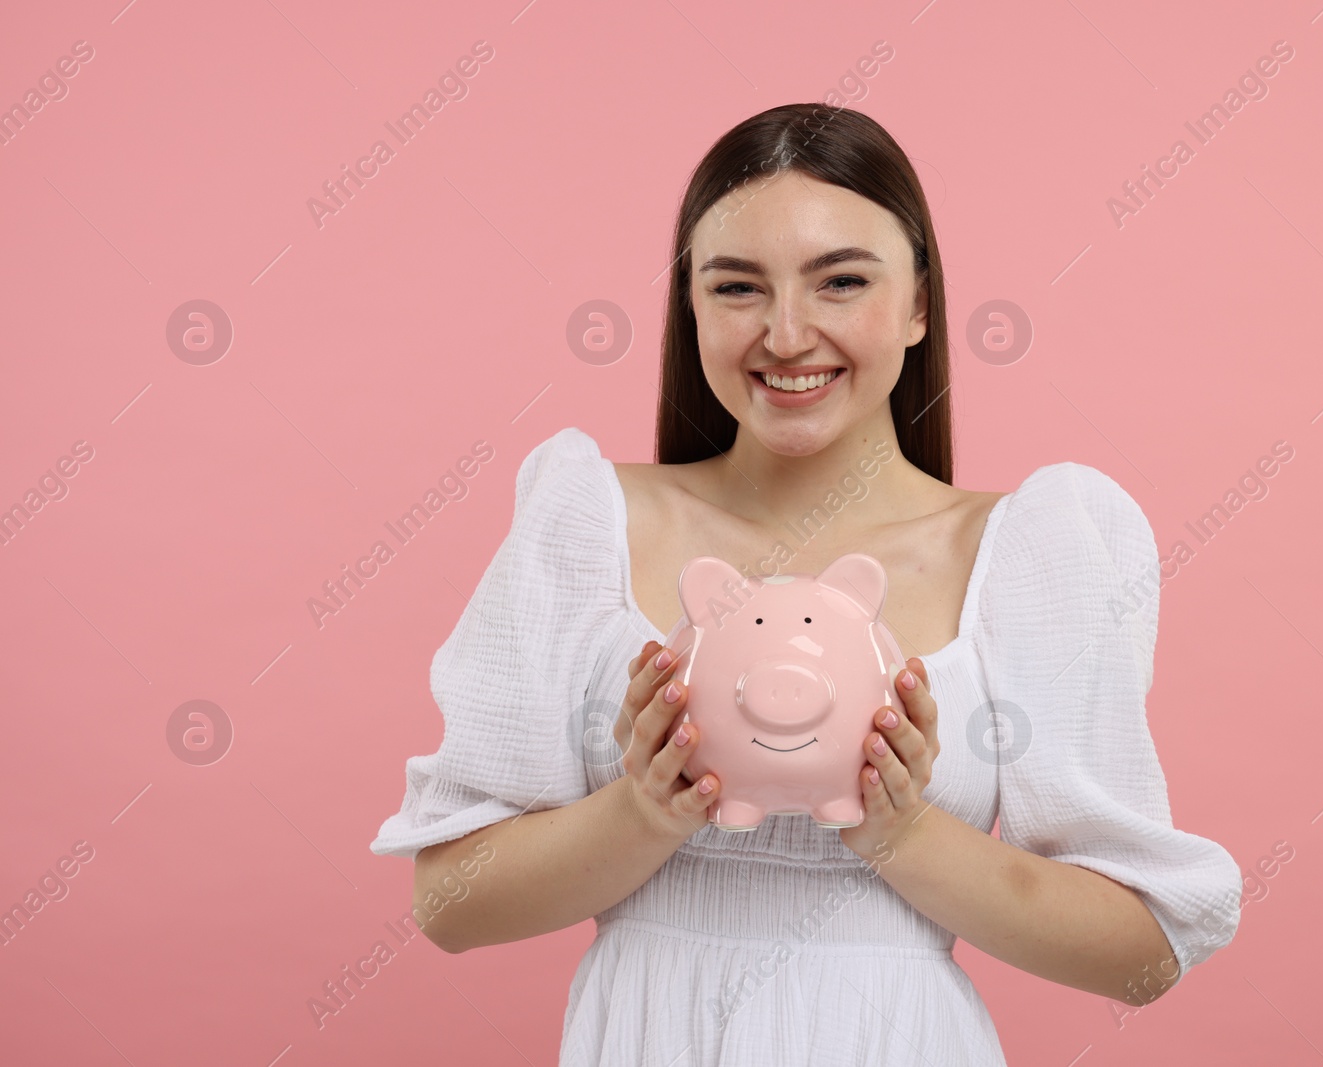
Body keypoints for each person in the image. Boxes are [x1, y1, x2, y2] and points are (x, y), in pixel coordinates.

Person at [370, 103, 1241, 1065]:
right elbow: (447, 902)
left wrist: (899, 830)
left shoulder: (1029, 550)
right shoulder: (587, 521)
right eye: (738, 287)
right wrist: (644, 809)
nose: (788, 335)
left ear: (918, 305)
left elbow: (1140, 955)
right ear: (691, 309)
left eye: (841, 282)